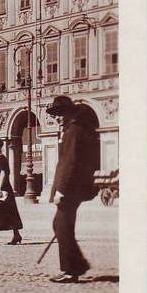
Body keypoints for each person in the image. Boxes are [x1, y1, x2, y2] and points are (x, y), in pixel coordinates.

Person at [46, 95, 99, 283]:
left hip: (69, 189)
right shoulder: (71, 129)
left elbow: (70, 163)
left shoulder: (74, 130)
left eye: (60, 113)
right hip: (71, 188)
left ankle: (71, 270)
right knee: (61, 225)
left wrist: (61, 190)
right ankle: (76, 266)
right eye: (55, 114)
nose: (58, 117)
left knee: (62, 226)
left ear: (69, 112)